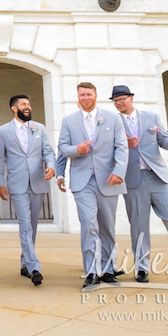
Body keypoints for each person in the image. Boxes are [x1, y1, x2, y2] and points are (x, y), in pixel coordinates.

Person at [109, 85, 168, 283]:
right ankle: (142, 268)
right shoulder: (112, 122)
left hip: (158, 177)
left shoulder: (152, 117)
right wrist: (124, 146)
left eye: (122, 99)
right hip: (133, 180)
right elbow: (107, 150)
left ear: (131, 98)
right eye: (115, 100)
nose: (119, 103)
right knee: (139, 225)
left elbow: (163, 140)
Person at [58, 82, 127, 288]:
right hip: (82, 181)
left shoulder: (113, 118)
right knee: (89, 224)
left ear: (95, 95)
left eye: (88, 94)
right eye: (82, 94)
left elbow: (122, 147)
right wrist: (77, 150)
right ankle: (91, 272)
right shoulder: (69, 121)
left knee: (107, 227)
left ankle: (108, 269)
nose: (85, 98)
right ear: (78, 97)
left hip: (108, 179)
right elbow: (62, 147)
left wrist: (118, 172)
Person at [0, 94, 56, 286]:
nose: (28, 107)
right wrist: (0, 184)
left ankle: (25, 263)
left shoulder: (40, 128)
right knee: (25, 224)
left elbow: (48, 150)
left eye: (29, 104)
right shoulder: (3, 131)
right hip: (17, 184)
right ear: (14, 108)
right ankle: (34, 267)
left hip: (38, 182)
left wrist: (52, 166)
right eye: (23, 104)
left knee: (32, 225)